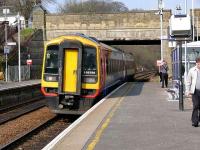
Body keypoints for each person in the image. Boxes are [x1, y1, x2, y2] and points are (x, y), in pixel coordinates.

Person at [186, 57, 200, 127]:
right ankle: (195, 121)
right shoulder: (192, 70)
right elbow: (188, 81)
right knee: (196, 105)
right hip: (195, 91)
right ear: (196, 63)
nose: (199, 65)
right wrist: (187, 91)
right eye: (198, 63)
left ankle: (198, 119)